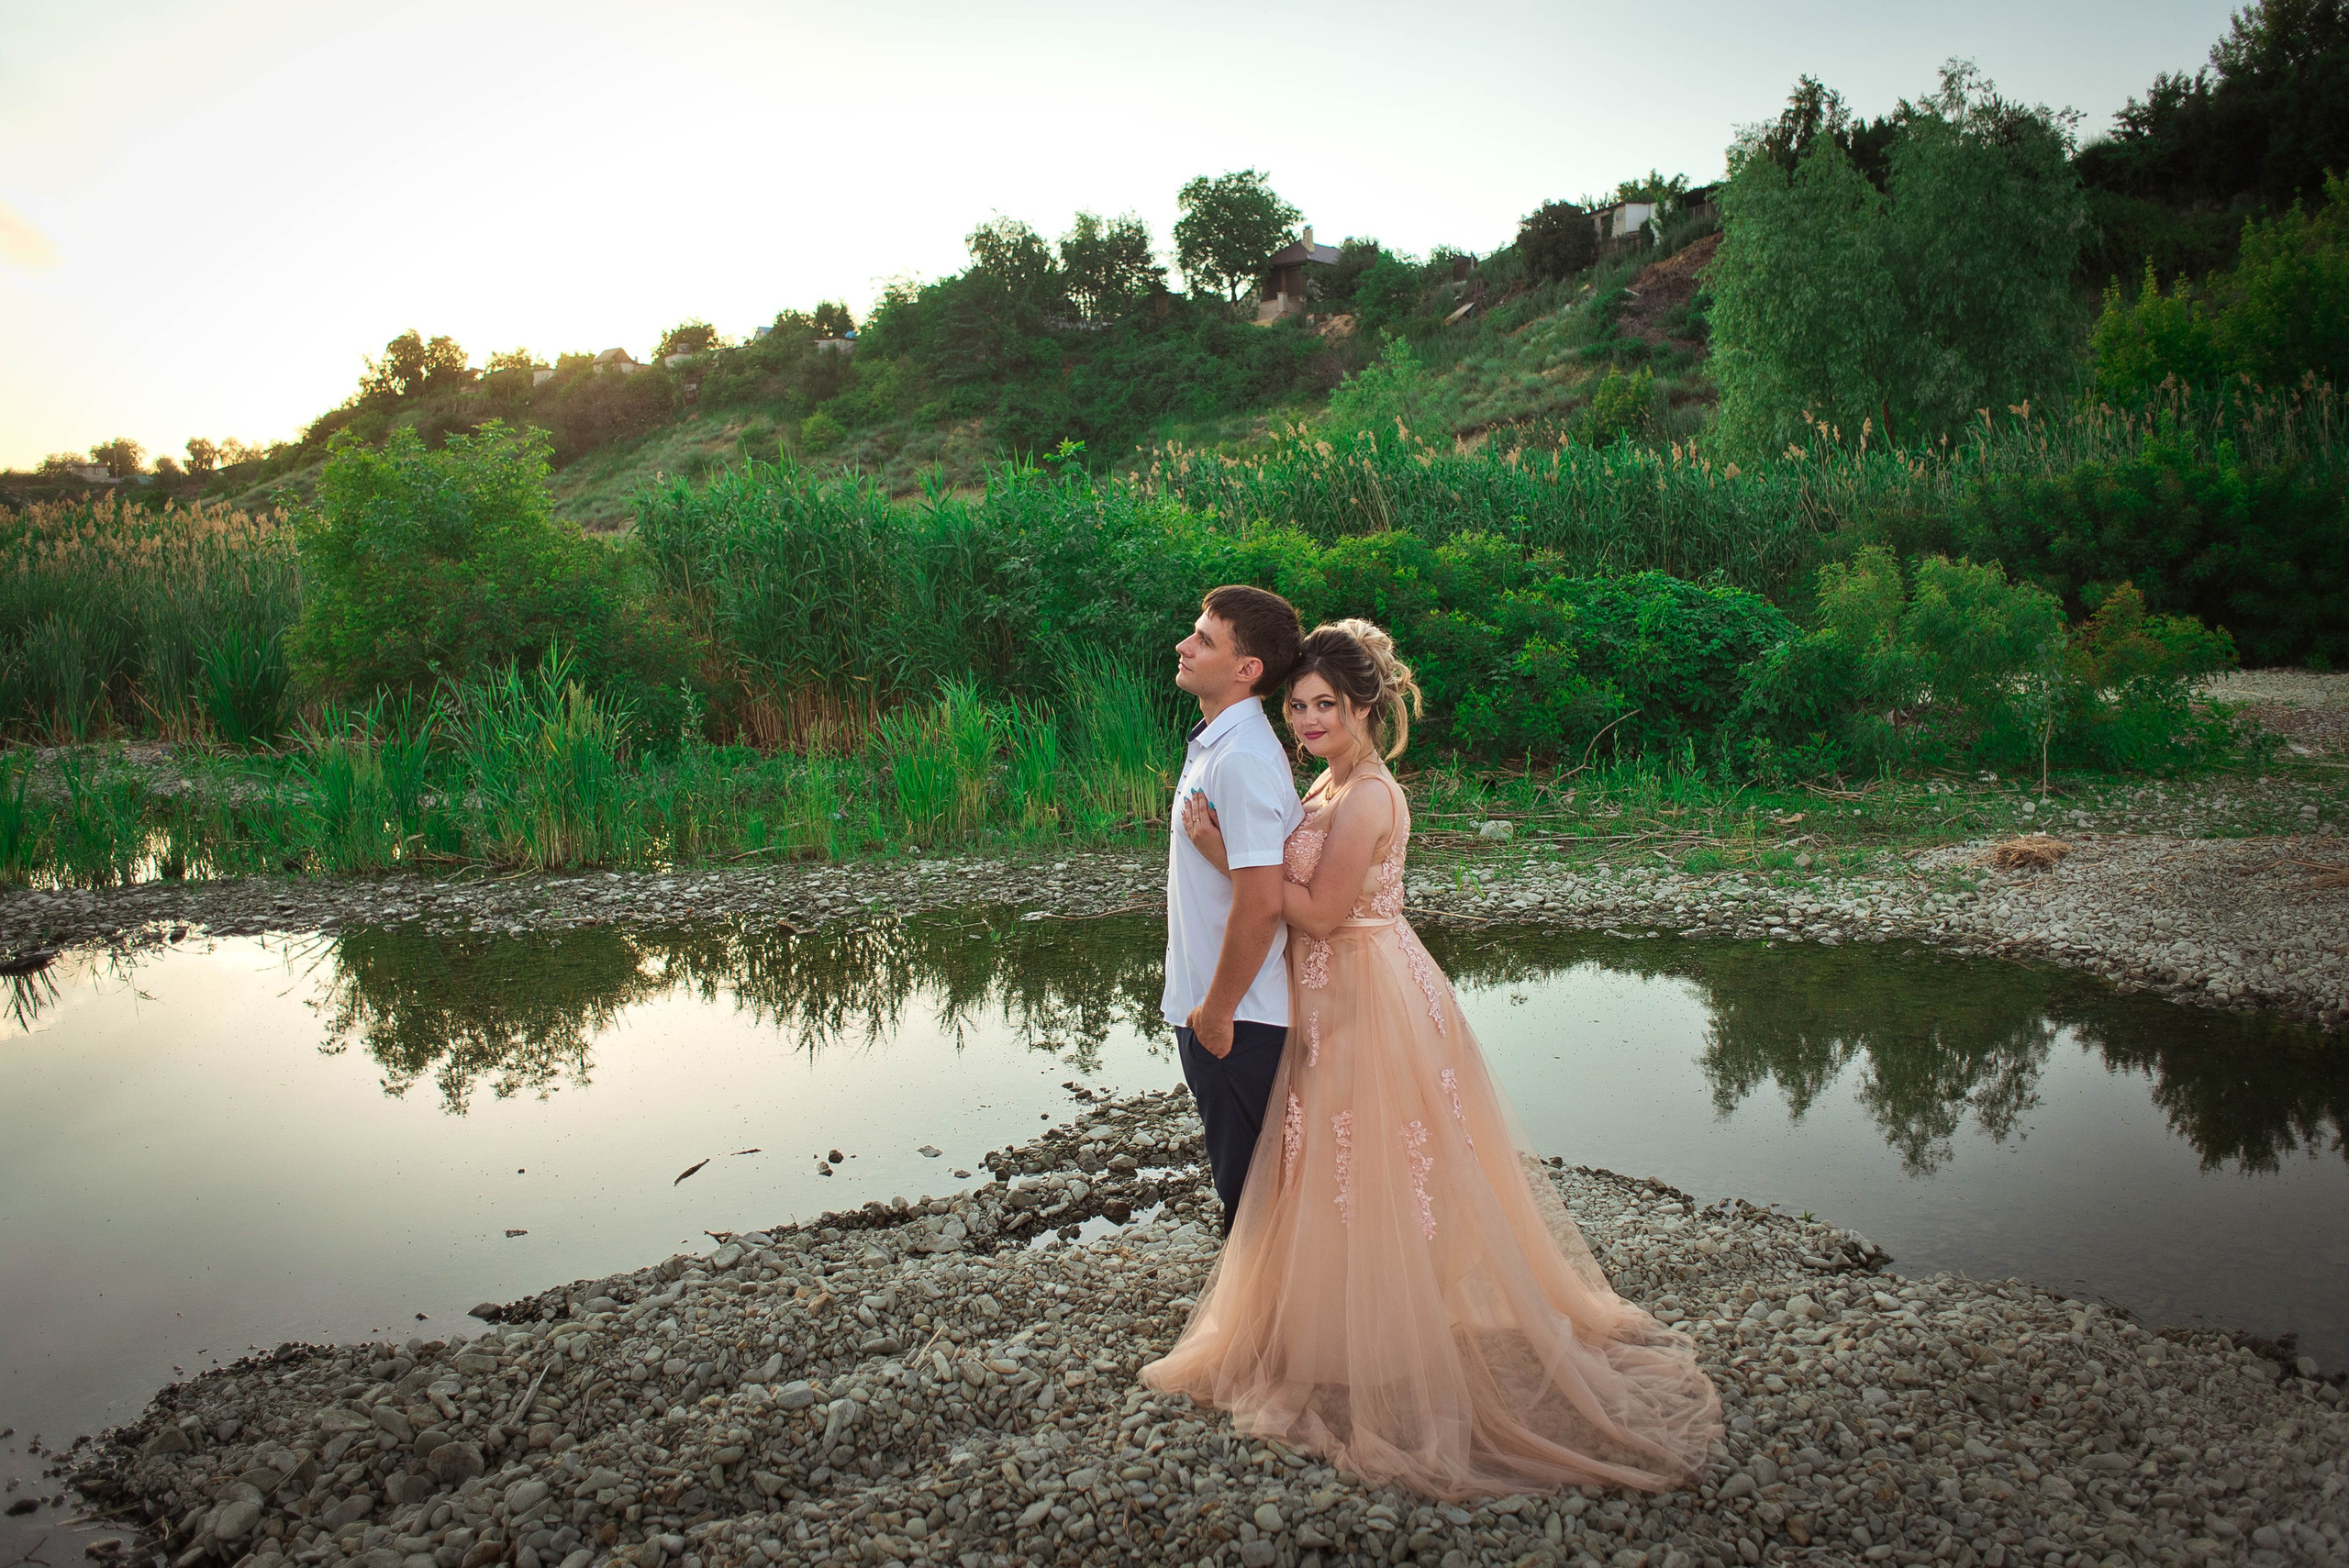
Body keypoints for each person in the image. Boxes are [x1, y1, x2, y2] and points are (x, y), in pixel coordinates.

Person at [1143, 619, 1721, 1499]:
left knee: (1369, 1162)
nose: (1308, 720)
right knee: (1327, 1161)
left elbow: (1324, 912)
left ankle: (1377, 1339)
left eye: (1326, 705)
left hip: (1367, 989)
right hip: (1327, 992)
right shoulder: (1328, 782)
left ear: (1365, 707)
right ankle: (1333, 1325)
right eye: (1298, 706)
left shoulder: (1369, 795)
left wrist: (1228, 857)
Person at [1163, 584, 1306, 1238]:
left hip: (1239, 1017)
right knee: (1247, 1191)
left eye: (1204, 640)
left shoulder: (1242, 759)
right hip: (1219, 1008)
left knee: (1252, 1204)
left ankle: (1262, 1306)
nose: (1184, 646)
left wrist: (1216, 1014)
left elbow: (1262, 901)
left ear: (1248, 669)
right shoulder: (1219, 746)